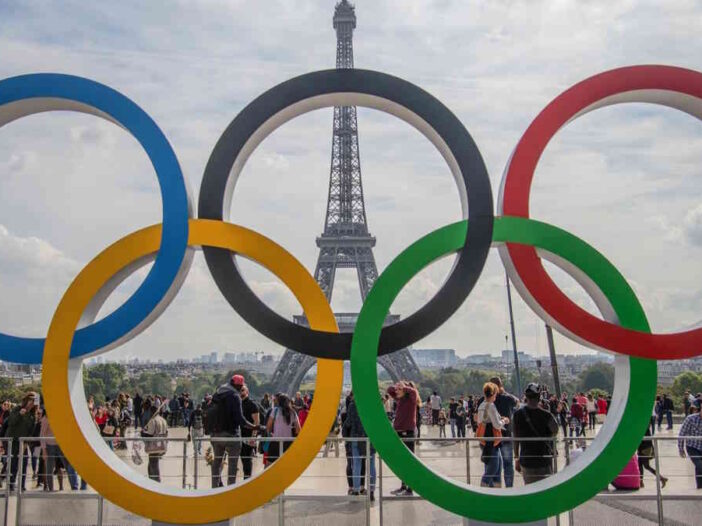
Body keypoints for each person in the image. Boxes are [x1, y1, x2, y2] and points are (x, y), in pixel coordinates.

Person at [210, 374, 256, 487]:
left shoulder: (217, 394)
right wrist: (255, 427)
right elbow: (241, 420)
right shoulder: (235, 396)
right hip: (231, 434)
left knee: (217, 462)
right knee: (232, 464)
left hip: (216, 434)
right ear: (239, 386)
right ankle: (230, 489)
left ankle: (214, 488)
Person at [513, 383, 559, 484]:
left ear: (526, 397)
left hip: (526, 459)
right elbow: (555, 430)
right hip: (544, 459)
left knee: (530, 489)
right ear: (539, 397)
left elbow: (515, 438)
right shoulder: (546, 415)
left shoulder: (517, 415)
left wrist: (516, 458)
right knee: (545, 490)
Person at [343, 392, 377, 500]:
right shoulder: (372, 404)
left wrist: (345, 432)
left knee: (356, 464)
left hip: (356, 438)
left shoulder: (353, 405)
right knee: (371, 464)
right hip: (370, 437)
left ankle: (356, 490)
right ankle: (371, 491)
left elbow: (348, 422)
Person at [1, 392, 38, 491]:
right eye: (31, 400)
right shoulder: (17, 409)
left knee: (24, 463)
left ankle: (21, 485)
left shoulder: (33, 415)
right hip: (12, 441)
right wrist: (20, 414)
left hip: (23, 442)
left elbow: (31, 431)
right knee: (13, 463)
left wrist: (27, 442)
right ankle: (11, 484)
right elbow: (11, 422)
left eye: (34, 401)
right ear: (26, 400)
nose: (32, 403)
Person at [486, 376, 518, 488]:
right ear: (500, 385)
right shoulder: (508, 398)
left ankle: (495, 489)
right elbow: (517, 402)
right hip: (505, 436)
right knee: (508, 465)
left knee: (493, 465)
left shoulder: (485, 400)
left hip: (491, 437)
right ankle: (509, 488)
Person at [388, 382, 418, 496]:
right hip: (399, 433)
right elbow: (389, 390)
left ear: (405, 391)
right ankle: (403, 486)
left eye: (398, 390)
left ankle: (410, 489)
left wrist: (403, 387)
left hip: (407, 433)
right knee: (402, 462)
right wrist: (397, 387)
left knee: (408, 462)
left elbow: (413, 391)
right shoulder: (400, 399)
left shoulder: (411, 400)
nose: (396, 392)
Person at [477, 382, 509, 488]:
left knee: (494, 466)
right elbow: (497, 424)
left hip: (485, 440)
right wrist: (504, 421)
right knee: (494, 468)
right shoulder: (490, 406)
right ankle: (486, 488)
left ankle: (493, 489)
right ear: (493, 394)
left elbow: (480, 421)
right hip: (492, 440)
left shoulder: (482, 405)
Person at [266, 393, 300, 465]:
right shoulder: (293, 412)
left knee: (269, 466)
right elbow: (298, 430)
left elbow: (268, 427)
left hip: (276, 441)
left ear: (278, 402)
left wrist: (271, 433)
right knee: (286, 465)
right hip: (288, 443)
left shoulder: (275, 411)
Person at [678, 401, 702, 489]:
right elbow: (682, 434)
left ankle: (700, 488)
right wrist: (681, 449)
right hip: (693, 447)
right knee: (700, 465)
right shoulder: (690, 419)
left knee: (698, 468)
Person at [141, 406, 168, 482]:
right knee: (151, 464)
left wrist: (143, 433)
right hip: (162, 445)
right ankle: (152, 480)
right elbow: (166, 432)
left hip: (154, 446)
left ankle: (156, 481)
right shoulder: (163, 420)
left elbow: (150, 434)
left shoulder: (153, 420)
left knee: (153, 464)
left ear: (152, 412)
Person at [239, 385, 259, 479]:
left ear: (247, 392)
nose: (240, 392)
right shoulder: (237, 403)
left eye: (242, 390)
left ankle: (247, 478)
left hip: (248, 436)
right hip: (238, 436)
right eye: (239, 390)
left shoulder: (252, 404)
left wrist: (253, 438)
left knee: (247, 458)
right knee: (243, 458)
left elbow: (256, 422)